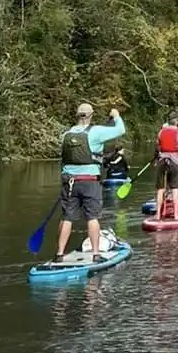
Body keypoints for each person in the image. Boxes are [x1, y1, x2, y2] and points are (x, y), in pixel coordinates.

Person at [56, 102, 125, 262]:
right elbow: (120, 129)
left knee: (67, 217)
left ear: (77, 116)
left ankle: (59, 254)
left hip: (69, 182)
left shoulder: (66, 134)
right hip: (90, 182)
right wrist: (116, 116)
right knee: (92, 217)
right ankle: (95, 254)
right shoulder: (96, 131)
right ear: (91, 116)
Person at [153, 112, 178, 220]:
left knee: (160, 189)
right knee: (174, 188)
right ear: (177, 121)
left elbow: (158, 148)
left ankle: (157, 215)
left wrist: (156, 160)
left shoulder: (161, 132)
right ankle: (175, 215)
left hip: (162, 161)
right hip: (174, 162)